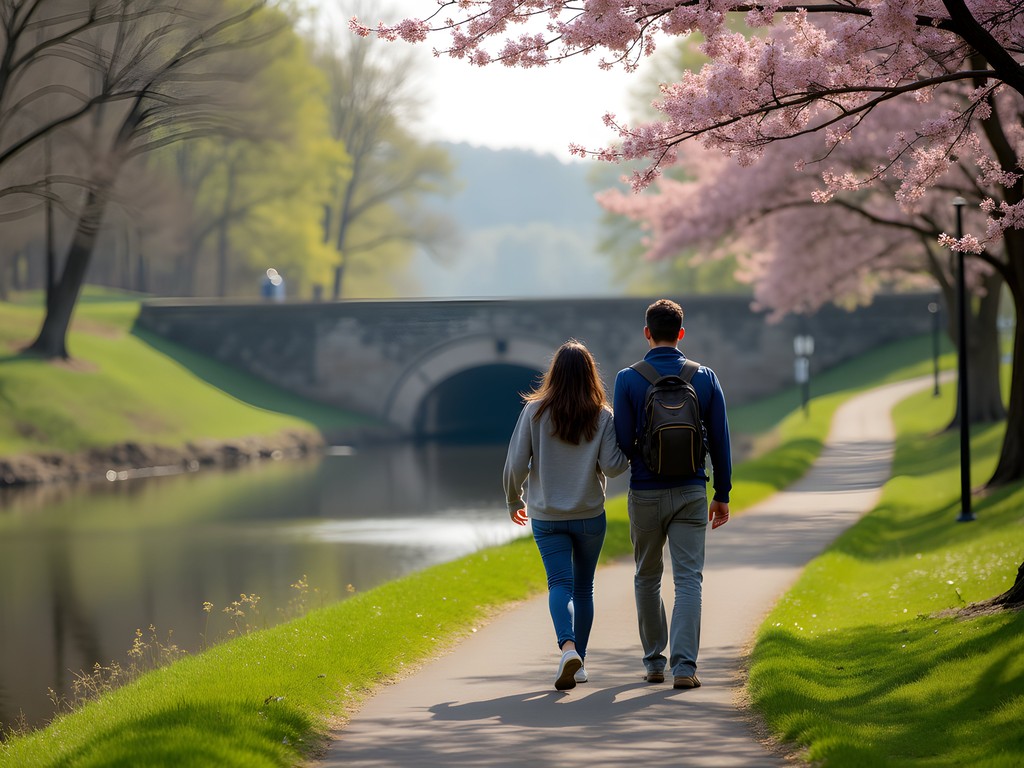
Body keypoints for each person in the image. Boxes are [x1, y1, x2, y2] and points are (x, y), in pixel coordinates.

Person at [613, 299, 732, 690]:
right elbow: (720, 440)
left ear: (647, 332)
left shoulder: (628, 379)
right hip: (691, 491)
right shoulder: (705, 377)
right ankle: (685, 667)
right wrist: (723, 492)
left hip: (645, 492)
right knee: (688, 581)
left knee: (647, 577)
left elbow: (624, 444)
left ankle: (653, 663)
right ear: (681, 333)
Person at [504, 339, 629, 691]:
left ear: (553, 373)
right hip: (590, 514)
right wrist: (629, 444)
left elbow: (515, 464)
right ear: (591, 375)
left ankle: (567, 649)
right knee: (584, 588)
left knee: (559, 585)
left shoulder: (534, 410)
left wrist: (514, 500)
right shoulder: (602, 415)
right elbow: (614, 467)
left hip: (547, 516)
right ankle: (581, 663)